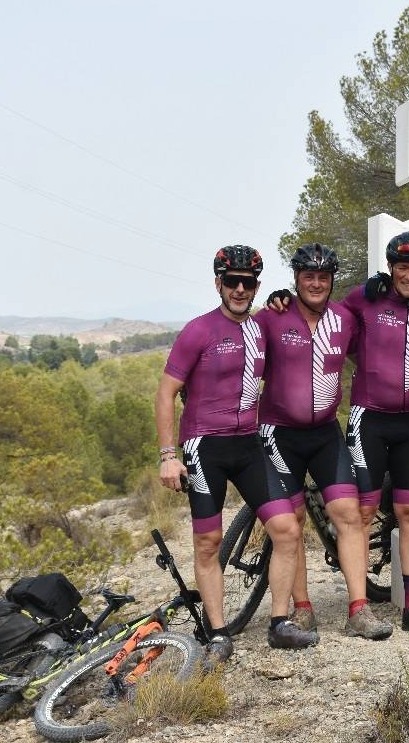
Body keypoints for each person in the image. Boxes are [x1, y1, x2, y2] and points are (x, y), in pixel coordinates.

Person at [267, 231, 409, 633]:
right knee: (360, 513)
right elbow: (324, 323)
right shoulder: (362, 300)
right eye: (403, 266)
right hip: (369, 419)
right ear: (391, 268)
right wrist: (279, 295)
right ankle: (339, 603)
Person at [154, 245, 318, 663]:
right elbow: (166, 393)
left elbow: (297, 317)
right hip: (203, 445)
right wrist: (167, 455)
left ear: (256, 286)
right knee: (208, 543)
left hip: (249, 444)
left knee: (287, 530)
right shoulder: (199, 330)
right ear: (218, 283)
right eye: (232, 281)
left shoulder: (263, 325)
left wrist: (283, 295)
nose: (240, 289)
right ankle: (220, 633)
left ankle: (279, 624)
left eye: (248, 283)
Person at [256, 243, 392, 640]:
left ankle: (359, 609)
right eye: (307, 277)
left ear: (332, 280)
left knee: (349, 514)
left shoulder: (344, 319)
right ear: (296, 280)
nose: (315, 284)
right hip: (278, 433)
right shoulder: (273, 318)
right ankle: (302, 610)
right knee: (292, 525)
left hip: (325, 432)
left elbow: (376, 336)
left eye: (323, 277)